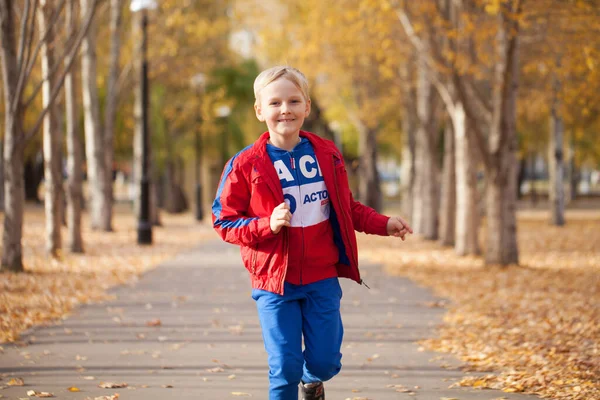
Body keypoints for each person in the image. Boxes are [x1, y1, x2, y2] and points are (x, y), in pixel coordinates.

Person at [212, 66, 412, 400]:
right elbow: (224, 222)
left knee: (326, 362)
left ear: (307, 107)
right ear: (260, 110)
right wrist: (266, 224)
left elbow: (346, 207)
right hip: (274, 282)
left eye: (293, 101)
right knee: (284, 367)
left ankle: (312, 381)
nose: (284, 109)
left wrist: (384, 224)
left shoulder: (327, 154)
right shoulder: (246, 164)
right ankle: (295, 380)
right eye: (274, 103)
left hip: (321, 277)